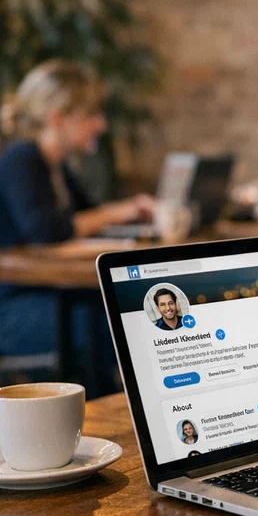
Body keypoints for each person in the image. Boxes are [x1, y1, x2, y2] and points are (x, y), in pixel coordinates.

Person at [0, 60, 153, 373]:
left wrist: (129, 213)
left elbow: (88, 215)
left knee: (128, 315)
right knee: (124, 324)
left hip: (55, 296)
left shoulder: (57, 166)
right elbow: (45, 230)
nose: (101, 125)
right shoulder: (21, 158)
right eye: (91, 115)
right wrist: (116, 213)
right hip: (14, 308)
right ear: (57, 118)